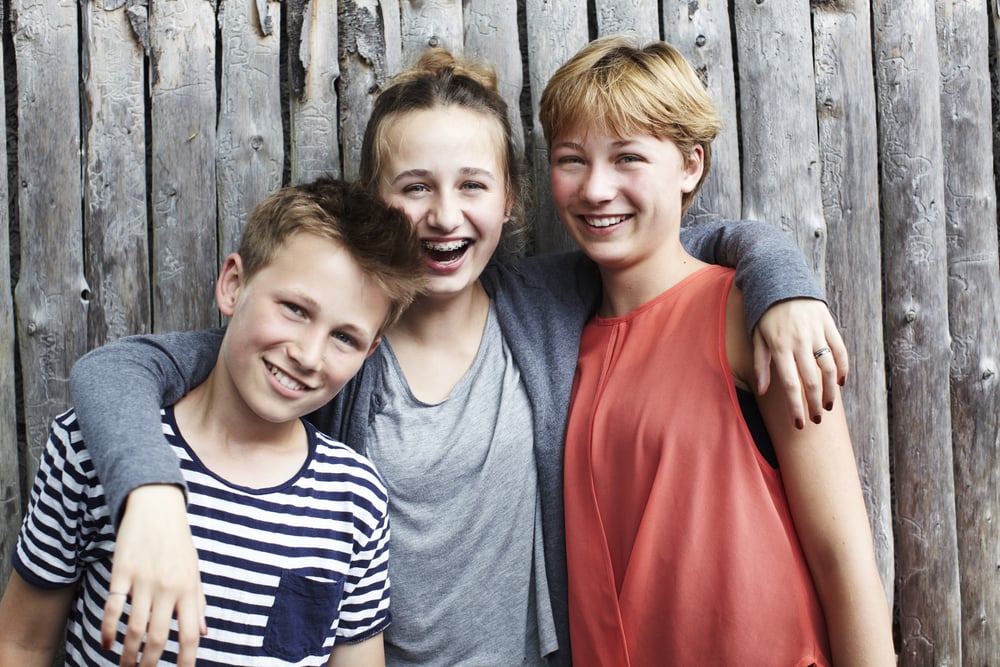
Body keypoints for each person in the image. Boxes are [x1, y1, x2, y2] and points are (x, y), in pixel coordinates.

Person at [66, 49, 848, 666]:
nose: (444, 215)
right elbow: (116, 370)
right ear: (376, 199)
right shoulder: (334, 345)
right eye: (414, 187)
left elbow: (689, 242)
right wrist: (151, 493)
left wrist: (783, 281)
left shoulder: (549, 299)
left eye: (473, 184)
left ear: (511, 201)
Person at [541, 35, 895, 665]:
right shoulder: (556, 342)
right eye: (572, 159)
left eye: (627, 158)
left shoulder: (748, 317)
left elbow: (844, 558)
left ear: (690, 166)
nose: (595, 189)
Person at [0, 177, 427, 666]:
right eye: (294, 309)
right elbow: (22, 643)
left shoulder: (355, 499)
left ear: (370, 351)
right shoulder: (89, 445)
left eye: (345, 338)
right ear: (233, 285)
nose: (309, 355)